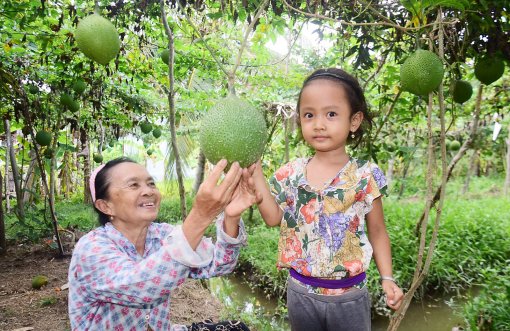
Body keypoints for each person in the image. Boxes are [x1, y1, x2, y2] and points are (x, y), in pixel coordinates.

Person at [252, 68, 404, 330]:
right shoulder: (291, 172)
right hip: (300, 292)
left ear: (354, 121)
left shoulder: (365, 175)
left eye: (331, 114)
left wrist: (387, 277)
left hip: (349, 297)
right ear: (300, 120)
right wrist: (254, 172)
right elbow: (272, 218)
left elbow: (378, 231)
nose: (319, 124)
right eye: (309, 115)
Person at [68, 156, 261, 331]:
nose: (148, 191)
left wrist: (231, 217)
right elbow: (143, 288)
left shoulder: (162, 234)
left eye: (151, 183)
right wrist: (200, 216)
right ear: (105, 205)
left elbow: (220, 265)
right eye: (133, 185)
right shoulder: (91, 248)